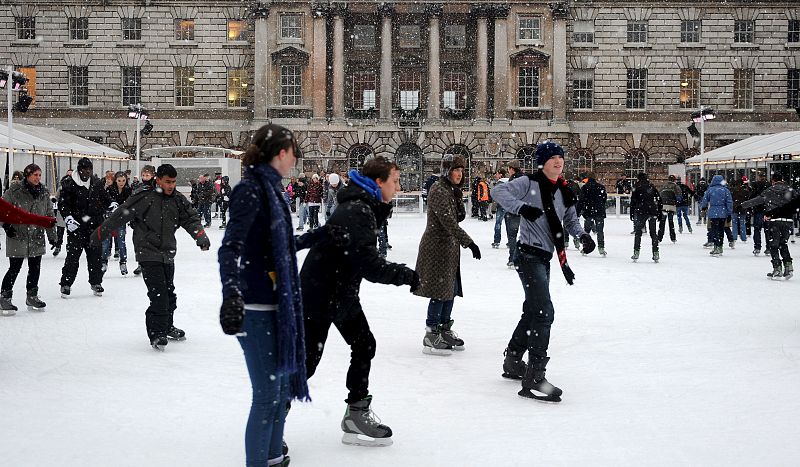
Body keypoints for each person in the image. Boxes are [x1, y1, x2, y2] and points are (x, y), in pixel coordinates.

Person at [300, 156, 417, 447]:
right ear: (379, 183)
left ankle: (355, 413)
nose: (399, 187)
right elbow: (370, 265)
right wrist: (409, 276)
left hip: (341, 292)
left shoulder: (365, 206)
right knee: (304, 364)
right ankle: (271, 423)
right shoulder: (358, 210)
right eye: (395, 181)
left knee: (364, 344)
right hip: (321, 294)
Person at [218, 125, 315, 467]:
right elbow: (231, 248)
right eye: (293, 152)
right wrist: (231, 295)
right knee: (266, 395)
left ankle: (273, 458)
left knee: (278, 392)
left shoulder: (273, 191)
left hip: (276, 305)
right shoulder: (251, 190)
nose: (295, 159)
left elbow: (275, 247)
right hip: (255, 307)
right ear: (280, 152)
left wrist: (315, 237)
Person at [491, 141, 594, 403]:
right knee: (544, 312)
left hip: (545, 257)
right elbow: (498, 191)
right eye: (553, 159)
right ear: (542, 162)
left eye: (561, 158)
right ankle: (535, 376)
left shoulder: (564, 190)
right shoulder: (528, 183)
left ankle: (514, 361)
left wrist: (582, 236)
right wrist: (522, 207)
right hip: (527, 255)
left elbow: (570, 220)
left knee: (533, 310)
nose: (558, 162)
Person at [92, 164, 210, 350]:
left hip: (167, 253)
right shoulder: (144, 197)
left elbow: (190, 218)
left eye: (173, 182)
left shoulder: (177, 199)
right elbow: (119, 215)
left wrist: (200, 236)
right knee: (159, 295)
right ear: (158, 179)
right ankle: (157, 333)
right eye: (167, 182)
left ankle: (167, 326)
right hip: (147, 253)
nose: (171, 186)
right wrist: (99, 234)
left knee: (169, 294)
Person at [414, 154, 480, 355]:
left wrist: (458, 195)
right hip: (436, 247)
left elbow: (459, 217)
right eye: (455, 170)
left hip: (449, 247)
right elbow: (448, 222)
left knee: (450, 288)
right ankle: (431, 332)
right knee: (439, 290)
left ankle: (444, 328)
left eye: (461, 170)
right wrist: (469, 242)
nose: (459, 174)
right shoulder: (438, 190)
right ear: (447, 171)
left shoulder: (450, 190)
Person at [0, 164, 56, 314]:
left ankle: (32, 296)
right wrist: (6, 225)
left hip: (36, 236)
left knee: (35, 268)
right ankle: (4, 297)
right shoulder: (15, 191)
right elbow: (2, 208)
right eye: (35, 175)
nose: (38, 178)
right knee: (14, 268)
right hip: (18, 235)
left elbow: (49, 215)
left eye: (39, 175)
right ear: (27, 175)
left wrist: (52, 236)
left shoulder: (43, 192)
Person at [58, 157, 113, 298]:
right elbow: (63, 204)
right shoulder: (69, 184)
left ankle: (96, 282)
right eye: (84, 169)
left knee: (95, 256)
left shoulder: (96, 183)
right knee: (72, 257)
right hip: (76, 227)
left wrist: (112, 204)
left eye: (89, 169)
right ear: (79, 169)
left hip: (94, 226)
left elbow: (105, 198)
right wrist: (68, 218)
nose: (87, 172)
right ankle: (66, 284)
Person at [742, 172, 799, 279]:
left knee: (774, 244)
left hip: (774, 220)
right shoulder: (790, 190)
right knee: (783, 243)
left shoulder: (770, 190)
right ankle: (788, 266)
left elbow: (758, 200)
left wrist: (743, 205)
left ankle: (777, 269)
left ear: (773, 181)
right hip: (787, 221)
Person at [102, 171, 132, 275]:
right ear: (116, 180)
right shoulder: (110, 189)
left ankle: (123, 262)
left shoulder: (128, 190)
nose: (121, 183)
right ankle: (103, 262)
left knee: (121, 241)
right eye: (119, 180)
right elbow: (105, 202)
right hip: (109, 218)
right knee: (106, 241)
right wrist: (110, 208)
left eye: (123, 180)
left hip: (121, 219)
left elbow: (129, 204)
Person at [629, 173, 663, 262]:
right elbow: (659, 199)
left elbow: (633, 200)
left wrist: (632, 212)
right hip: (652, 210)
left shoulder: (636, 186)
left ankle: (636, 252)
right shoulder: (651, 186)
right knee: (653, 233)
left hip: (641, 210)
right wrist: (659, 212)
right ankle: (656, 253)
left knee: (638, 232)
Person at [699, 175, 734, 257]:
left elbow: (705, 200)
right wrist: (729, 213)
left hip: (713, 212)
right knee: (721, 230)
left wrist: (703, 208)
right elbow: (729, 202)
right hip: (723, 213)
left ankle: (716, 247)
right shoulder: (725, 190)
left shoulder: (710, 190)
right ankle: (720, 246)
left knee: (714, 230)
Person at [577, 172, 607, 256]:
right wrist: (600, 206)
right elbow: (604, 199)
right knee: (600, 231)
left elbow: (581, 201)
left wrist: (578, 211)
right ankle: (601, 248)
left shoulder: (585, 187)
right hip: (599, 212)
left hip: (589, 211)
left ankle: (585, 247)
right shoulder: (601, 187)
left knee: (586, 231)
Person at [504, 160, 524, 268]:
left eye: (509, 168)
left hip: (513, 212)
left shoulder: (512, 181)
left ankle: (513, 258)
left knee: (512, 236)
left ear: (512, 169)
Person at [749, 173, 771, 255]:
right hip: (768, 210)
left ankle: (757, 247)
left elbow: (751, 197)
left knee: (757, 229)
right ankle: (768, 247)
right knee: (767, 230)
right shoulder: (769, 185)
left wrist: (751, 207)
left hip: (758, 210)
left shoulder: (755, 185)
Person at [658, 175, 680, 243]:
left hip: (663, 206)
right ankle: (673, 237)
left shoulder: (663, 186)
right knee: (671, 222)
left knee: (662, 222)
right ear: (674, 180)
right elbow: (679, 197)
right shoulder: (676, 187)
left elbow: (659, 194)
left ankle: (659, 237)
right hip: (671, 206)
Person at [730, 176, 752, 245]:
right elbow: (748, 199)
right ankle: (743, 238)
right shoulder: (746, 190)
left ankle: (734, 237)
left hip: (735, 208)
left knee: (734, 223)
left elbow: (731, 199)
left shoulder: (733, 190)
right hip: (743, 208)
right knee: (742, 223)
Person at [491, 167, 509, 248]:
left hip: (501, 206)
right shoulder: (510, 182)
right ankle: (511, 241)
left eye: (497, 174)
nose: (495, 175)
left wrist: (493, 208)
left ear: (500, 175)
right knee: (509, 225)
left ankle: (496, 241)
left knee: (498, 224)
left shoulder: (499, 184)